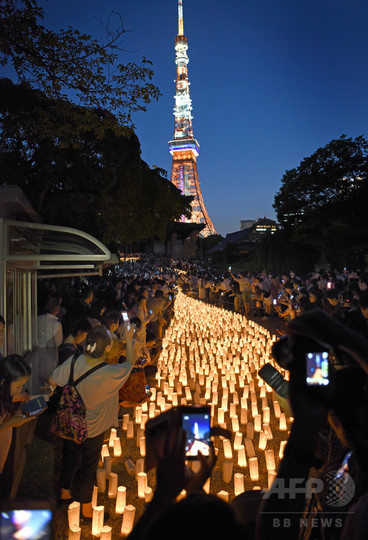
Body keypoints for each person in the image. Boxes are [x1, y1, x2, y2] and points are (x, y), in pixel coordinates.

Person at [49, 324, 135, 520]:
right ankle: (86, 510)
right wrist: (129, 339)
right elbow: (130, 364)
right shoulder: (110, 373)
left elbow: (54, 379)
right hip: (93, 428)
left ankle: (64, 494)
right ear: (106, 348)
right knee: (89, 467)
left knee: (71, 456)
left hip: (72, 422)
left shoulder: (74, 361)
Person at [0, 355, 33, 476]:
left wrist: (17, 413)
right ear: (4, 382)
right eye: (18, 386)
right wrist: (11, 423)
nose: (20, 390)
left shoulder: (5, 397)